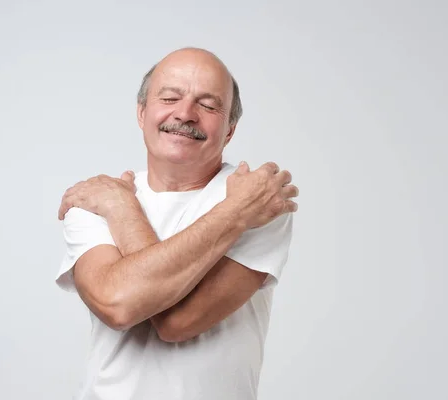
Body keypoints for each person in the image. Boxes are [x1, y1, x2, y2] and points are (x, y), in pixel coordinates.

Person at [55, 47, 299, 400]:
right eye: (170, 97)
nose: (185, 114)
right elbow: (118, 304)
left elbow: (176, 322)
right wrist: (235, 214)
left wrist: (123, 213)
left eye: (209, 105)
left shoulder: (261, 200)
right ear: (142, 113)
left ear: (229, 129)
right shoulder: (99, 199)